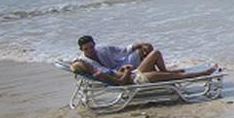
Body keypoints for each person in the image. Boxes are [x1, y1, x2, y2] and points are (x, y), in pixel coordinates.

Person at [72, 34, 219, 84]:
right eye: (86, 49)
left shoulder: (100, 55)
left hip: (134, 74)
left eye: (91, 47)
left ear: (94, 45)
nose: (89, 50)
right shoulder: (97, 70)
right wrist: (127, 71)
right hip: (135, 78)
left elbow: (124, 50)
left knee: (155, 52)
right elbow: (122, 82)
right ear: (82, 51)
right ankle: (204, 74)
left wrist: (126, 69)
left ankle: (166, 72)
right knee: (178, 76)